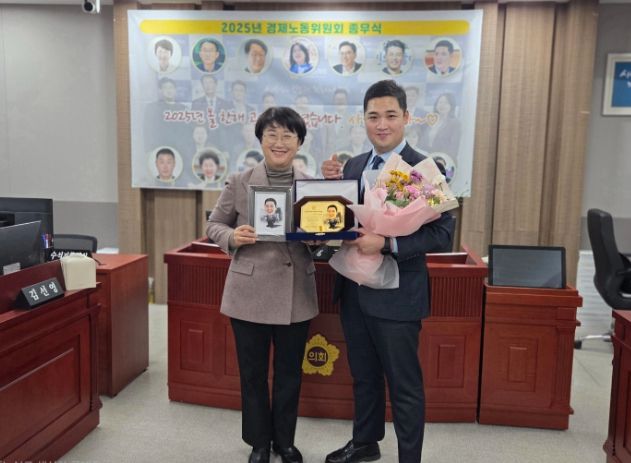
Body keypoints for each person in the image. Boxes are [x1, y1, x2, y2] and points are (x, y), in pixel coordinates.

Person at [320, 80, 453, 463]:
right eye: (373, 116)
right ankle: (365, 443)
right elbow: (342, 220)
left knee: (404, 384)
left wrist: (388, 243)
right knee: (363, 375)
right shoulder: (354, 165)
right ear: (363, 119)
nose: (382, 124)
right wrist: (328, 188)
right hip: (354, 290)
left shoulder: (421, 167)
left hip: (397, 295)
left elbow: (442, 234)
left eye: (390, 115)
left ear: (406, 117)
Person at [206, 107, 317, 463]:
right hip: (249, 292)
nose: (279, 142)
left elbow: (325, 236)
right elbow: (214, 225)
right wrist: (233, 237)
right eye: (272, 134)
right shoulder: (240, 181)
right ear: (260, 140)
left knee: (289, 374)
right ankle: (258, 442)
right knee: (252, 374)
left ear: (299, 142)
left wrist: (318, 238)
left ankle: (284, 441)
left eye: (288, 135)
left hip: (295, 293)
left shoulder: (312, 186)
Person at [419, 92, 461, 160]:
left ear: (451, 106)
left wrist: (442, 160)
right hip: (427, 158)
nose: (442, 105)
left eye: (446, 103)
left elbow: (454, 148)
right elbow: (422, 142)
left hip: (443, 161)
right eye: (440, 102)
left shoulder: (455, 123)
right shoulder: (431, 120)